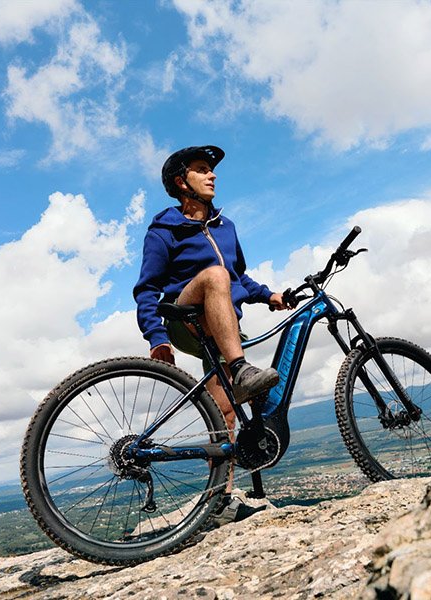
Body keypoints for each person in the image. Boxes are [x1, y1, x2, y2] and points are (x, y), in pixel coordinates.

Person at [133, 145, 288, 523]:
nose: (212, 175)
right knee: (214, 277)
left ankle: (220, 499)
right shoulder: (164, 229)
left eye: (211, 170)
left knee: (225, 415)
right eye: (202, 169)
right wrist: (157, 338)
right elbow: (147, 289)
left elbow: (239, 279)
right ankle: (240, 368)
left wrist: (269, 295)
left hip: (222, 328)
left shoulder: (226, 226)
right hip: (184, 318)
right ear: (180, 182)